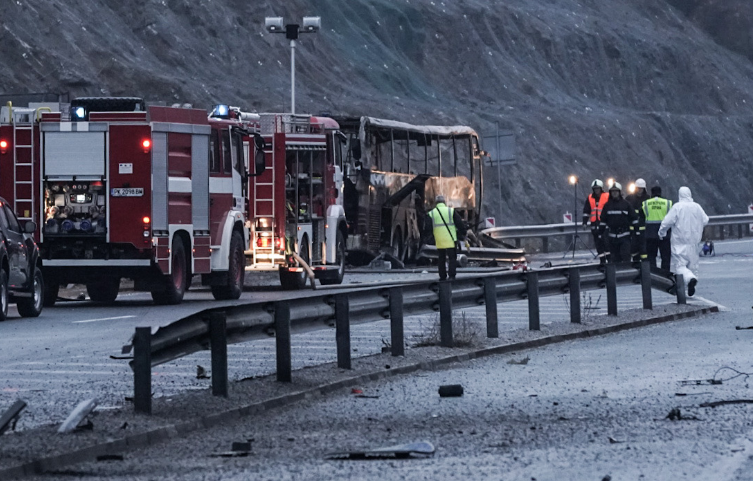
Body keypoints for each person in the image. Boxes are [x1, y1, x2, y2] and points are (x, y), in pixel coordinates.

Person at [658, 186, 709, 297]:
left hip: (679, 242)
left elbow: (667, 222)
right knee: (693, 266)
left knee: (680, 267)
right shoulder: (697, 207)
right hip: (694, 242)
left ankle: (690, 281)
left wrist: (662, 232)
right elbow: (705, 220)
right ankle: (690, 285)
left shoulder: (677, 207)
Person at [426, 195, 466, 280]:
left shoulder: (432, 213)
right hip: (451, 239)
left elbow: (427, 228)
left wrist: (430, 239)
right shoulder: (450, 211)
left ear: (436, 203)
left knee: (441, 258)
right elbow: (460, 224)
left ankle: (442, 276)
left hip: (439, 240)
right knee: (452, 258)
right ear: (444, 202)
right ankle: (451, 275)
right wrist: (463, 234)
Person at [601, 182, 638, 263]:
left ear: (619, 192)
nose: (614, 193)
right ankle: (616, 275)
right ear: (610, 193)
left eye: (616, 191)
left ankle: (627, 273)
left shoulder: (626, 204)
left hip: (625, 235)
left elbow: (634, 218)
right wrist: (601, 232)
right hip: (612, 237)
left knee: (625, 256)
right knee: (615, 259)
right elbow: (603, 220)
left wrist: (636, 231)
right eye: (612, 191)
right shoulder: (607, 205)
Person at [642, 186, 673, 270]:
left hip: (650, 234)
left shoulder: (646, 203)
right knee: (665, 256)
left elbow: (641, 217)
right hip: (664, 234)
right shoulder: (668, 203)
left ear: (651, 193)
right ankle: (665, 275)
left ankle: (653, 275)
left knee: (651, 256)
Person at [582, 179, 609, 264]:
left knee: (607, 243)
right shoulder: (590, 198)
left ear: (601, 188)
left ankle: (610, 260)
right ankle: (602, 261)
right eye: (595, 188)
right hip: (594, 224)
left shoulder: (607, 196)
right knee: (598, 243)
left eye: (598, 188)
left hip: (605, 224)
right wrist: (584, 222)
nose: (596, 190)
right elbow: (586, 211)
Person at [625, 178, 649, 262]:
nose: (639, 190)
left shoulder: (648, 199)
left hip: (644, 228)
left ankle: (645, 266)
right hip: (632, 229)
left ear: (644, 189)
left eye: (641, 189)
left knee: (643, 249)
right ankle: (635, 264)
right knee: (633, 248)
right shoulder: (629, 198)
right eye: (638, 188)